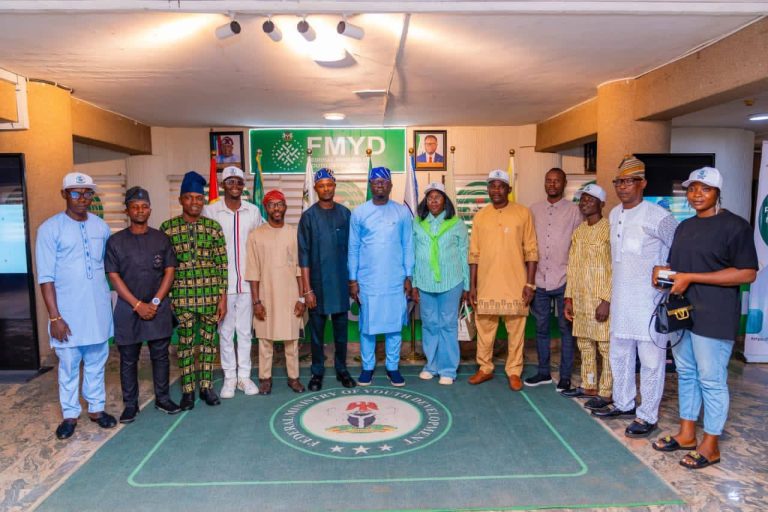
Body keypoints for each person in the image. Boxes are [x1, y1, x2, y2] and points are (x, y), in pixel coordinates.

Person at [651, 167, 757, 469]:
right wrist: (663, 274)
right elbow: (679, 268)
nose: (697, 194)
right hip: (682, 313)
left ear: (717, 193)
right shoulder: (685, 227)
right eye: (692, 188)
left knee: (711, 379)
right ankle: (687, 434)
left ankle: (710, 445)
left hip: (715, 315)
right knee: (686, 373)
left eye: (705, 189)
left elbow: (747, 273)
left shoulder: (735, 226)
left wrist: (692, 277)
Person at [592, 155, 677, 439]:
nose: (623, 187)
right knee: (620, 355)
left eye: (629, 181)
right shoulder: (614, 214)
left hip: (649, 302)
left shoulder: (658, 216)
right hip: (622, 301)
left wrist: (667, 278)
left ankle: (648, 415)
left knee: (651, 362)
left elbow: (680, 248)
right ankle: (624, 403)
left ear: (643, 183)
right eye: (619, 182)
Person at [36, 172, 117, 440]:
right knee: (69, 366)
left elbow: (108, 267)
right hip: (67, 314)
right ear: (64, 194)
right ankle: (70, 415)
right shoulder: (50, 229)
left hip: (97, 310)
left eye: (87, 193)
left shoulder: (101, 227)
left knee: (97, 361)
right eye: (75, 193)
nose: (82, 199)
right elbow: (45, 278)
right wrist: (55, 318)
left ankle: (96, 409)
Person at [105, 187, 181, 423]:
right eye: (135, 206)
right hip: (128, 309)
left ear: (150, 209)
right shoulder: (116, 241)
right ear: (126, 210)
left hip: (158, 307)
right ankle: (131, 405)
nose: (140, 210)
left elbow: (170, 271)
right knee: (128, 359)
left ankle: (163, 399)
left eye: (144, 206)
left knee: (161, 356)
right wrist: (137, 304)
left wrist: (155, 302)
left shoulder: (161, 238)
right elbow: (114, 276)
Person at [160, 171, 228, 410]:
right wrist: (168, 297)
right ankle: (188, 391)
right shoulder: (168, 228)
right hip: (182, 297)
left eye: (199, 198)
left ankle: (207, 387)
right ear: (181, 200)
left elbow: (222, 265)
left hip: (210, 296)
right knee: (186, 345)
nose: (195, 202)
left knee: (209, 343)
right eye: (189, 197)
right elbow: (164, 267)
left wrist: (222, 298)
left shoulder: (213, 227)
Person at [468, 169, 538, 391]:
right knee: (484, 329)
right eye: (492, 186)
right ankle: (485, 368)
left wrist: (530, 284)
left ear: (509, 189)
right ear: (488, 189)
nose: (496, 190)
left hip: (515, 283)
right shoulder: (480, 216)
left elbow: (531, 251)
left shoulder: (523, 213)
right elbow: (474, 254)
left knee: (516, 331)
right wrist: (472, 286)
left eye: (500, 186)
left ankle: (514, 371)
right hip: (486, 283)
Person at [348, 166, 414, 387]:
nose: (380, 185)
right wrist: (353, 279)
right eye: (376, 182)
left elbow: (408, 245)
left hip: (395, 280)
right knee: (368, 326)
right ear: (370, 185)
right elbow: (353, 248)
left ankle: (392, 367)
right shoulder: (359, 213)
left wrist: (408, 275)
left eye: (384, 182)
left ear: (390, 186)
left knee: (394, 325)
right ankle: (367, 367)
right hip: (368, 281)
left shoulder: (402, 212)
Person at [203, 166, 263, 398]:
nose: (235, 186)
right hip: (223, 285)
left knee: (245, 332)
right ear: (222, 185)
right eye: (230, 182)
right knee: (226, 332)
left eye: (239, 182)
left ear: (243, 185)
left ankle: (244, 377)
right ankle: (229, 378)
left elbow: (260, 245)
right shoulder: (211, 211)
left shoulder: (253, 211)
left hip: (248, 283)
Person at [298, 168, 356, 391]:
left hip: (340, 284)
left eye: (329, 184)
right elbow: (303, 256)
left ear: (334, 186)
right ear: (315, 188)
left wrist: (353, 282)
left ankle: (342, 369)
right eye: (321, 185)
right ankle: (317, 372)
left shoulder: (345, 214)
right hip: (317, 286)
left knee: (341, 333)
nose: (326, 189)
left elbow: (353, 251)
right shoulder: (308, 217)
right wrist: (307, 290)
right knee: (316, 335)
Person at [526, 168, 582, 391]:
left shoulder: (574, 211)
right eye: (548, 180)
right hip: (539, 278)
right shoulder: (533, 210)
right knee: (541, 328)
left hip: (564, 278)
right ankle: (543, 372)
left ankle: (565, 376)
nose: (552, 184)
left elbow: (578, 246)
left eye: (556, 181)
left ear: (564, 183)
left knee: (566, 329)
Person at [245, 189, 306, 394]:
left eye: (280, 204)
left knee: (292, 340)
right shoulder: (256, 235)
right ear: (266, 208)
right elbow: (253, 271)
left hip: (290, 295)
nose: (276, 208)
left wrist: (301, 298)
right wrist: (256, 302)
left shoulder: (294, 233)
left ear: (285, 207)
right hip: (266, 295)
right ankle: (265, 378)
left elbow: (299, 268)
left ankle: (293, 378)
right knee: (265, 339)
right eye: (272, 205)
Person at [411, 182, 469, 385]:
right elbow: (413, 255)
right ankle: (431, 366)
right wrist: (414, 283)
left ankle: (448, 370)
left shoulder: (457, 224)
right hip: (425, 282)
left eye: (438, 197)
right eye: (430, 197)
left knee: (447, 325)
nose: (433, 201)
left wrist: (467, 286)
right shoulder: (417, 223)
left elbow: (464, 255)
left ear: (445, 200)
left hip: (451, 282)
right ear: (425, 201)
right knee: (429, 324)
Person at [561, 184, 613, 410]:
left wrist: (607, 300)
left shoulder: (609, 229)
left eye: (590, 199)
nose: (585, 203)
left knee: (605, 348)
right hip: (580, 299)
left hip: (600, 300)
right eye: (583, 199)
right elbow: (572, 267)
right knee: (584, 344)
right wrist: (569, 298)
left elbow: (616, 267)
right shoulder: (579, 231)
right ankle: (589, 385)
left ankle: (606, 392)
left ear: (602, 204)